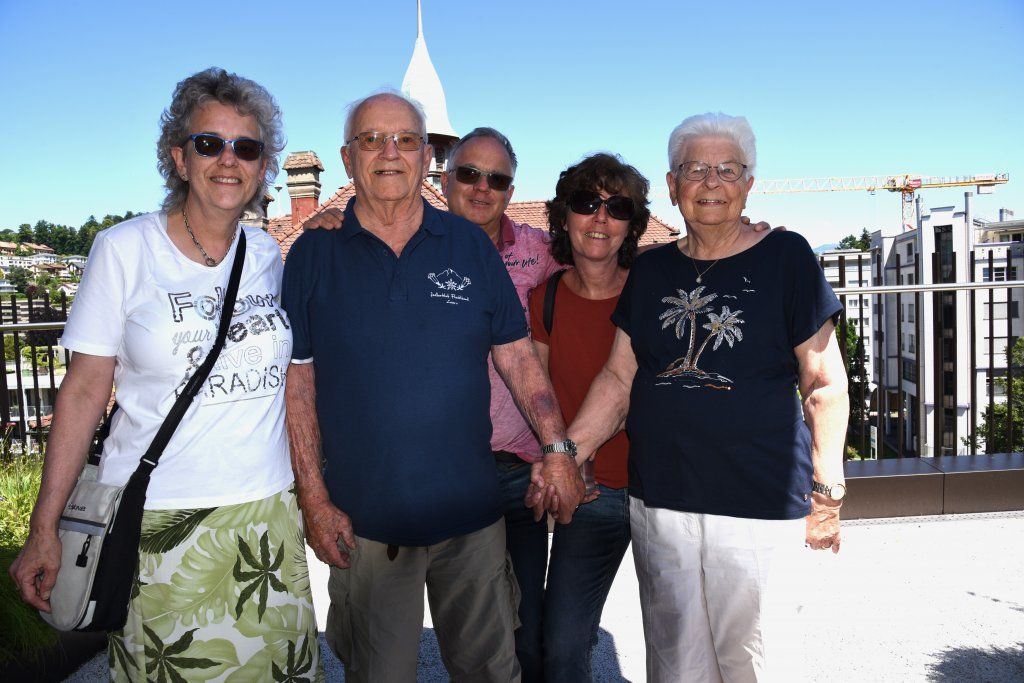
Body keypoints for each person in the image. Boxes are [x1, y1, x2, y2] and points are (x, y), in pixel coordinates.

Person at [9, 67, 322, 681]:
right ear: (179, 158)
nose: (228, 160)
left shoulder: (265, 255)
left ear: (264, 168)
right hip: (158, 522)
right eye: (210, 143)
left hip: (267, 516)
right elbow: (82, 391)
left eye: (247, 147)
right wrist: (44, 525)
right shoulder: (123, 250)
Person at [281, 91, 585, 683]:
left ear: (426, 158)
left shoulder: (470, 246)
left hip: (472, 521)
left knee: (491, 672)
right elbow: (298, 385)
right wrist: (313, 499)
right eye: (372, 139)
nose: (390, 152)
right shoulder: (314, 252)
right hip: (365, 525)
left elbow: (518, 357)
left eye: (406, 140)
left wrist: (558, 448)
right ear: (348, 159)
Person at [557, 112, 849, 682]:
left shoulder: (787, 257)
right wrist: (568, 452)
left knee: (756, 664)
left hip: (759, 502)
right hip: (661, 500)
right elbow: (619, 379)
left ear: (747, 184)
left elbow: (824, 383)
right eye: (695, 170)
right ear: (672, 185)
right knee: (675, 663)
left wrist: (828, 492)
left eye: (726, 169)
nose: (710, 182)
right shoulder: (651, 269)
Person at [524, 153, 648, 681]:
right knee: (563, 646)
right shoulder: (544, 299)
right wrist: (565, 468)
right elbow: (541, 396)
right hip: (593, 493)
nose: (600, 217)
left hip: (661, 491)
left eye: (616, 207)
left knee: (686, 636)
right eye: (586, 203)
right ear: (564, 216)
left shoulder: (654, 290)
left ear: (632, 225)